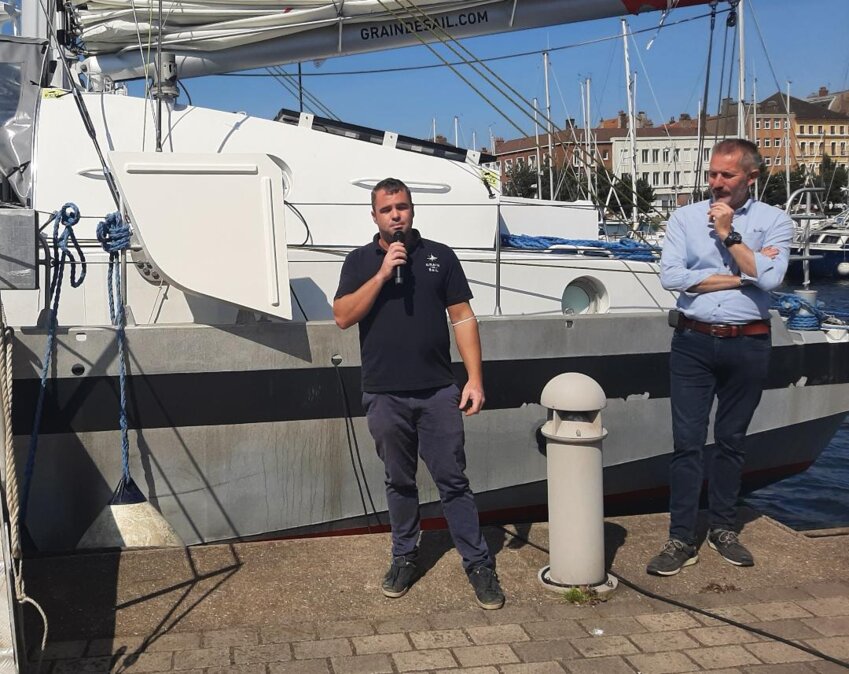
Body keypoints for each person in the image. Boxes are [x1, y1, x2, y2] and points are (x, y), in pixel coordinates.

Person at [333, 177, 505, 609]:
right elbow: (343, 316)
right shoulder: (359, 261)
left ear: (412, 210)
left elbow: (462, 317)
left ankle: (478, 564)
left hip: (437, 392)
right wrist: (381, 274)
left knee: (453, 481)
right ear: (374, 216)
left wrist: (475, 379)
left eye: (402, 207)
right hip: (384, 393)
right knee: (399, 481)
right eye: (387, 209)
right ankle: (405, 556)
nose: (396, 216)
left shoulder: (439, 256)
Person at [648, 138, 793, 576]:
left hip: (748, 343)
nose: (716, 182)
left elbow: (773, 279)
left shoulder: (775, 221)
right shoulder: (685, 218)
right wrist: (745, 276)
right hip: (692, 341)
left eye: (727, 175)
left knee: (731, 440)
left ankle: (724, 528)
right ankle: (680, 537)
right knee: (687, 443)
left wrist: (730, 235)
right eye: (712, 174)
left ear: (751, 177)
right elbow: (672, 277)